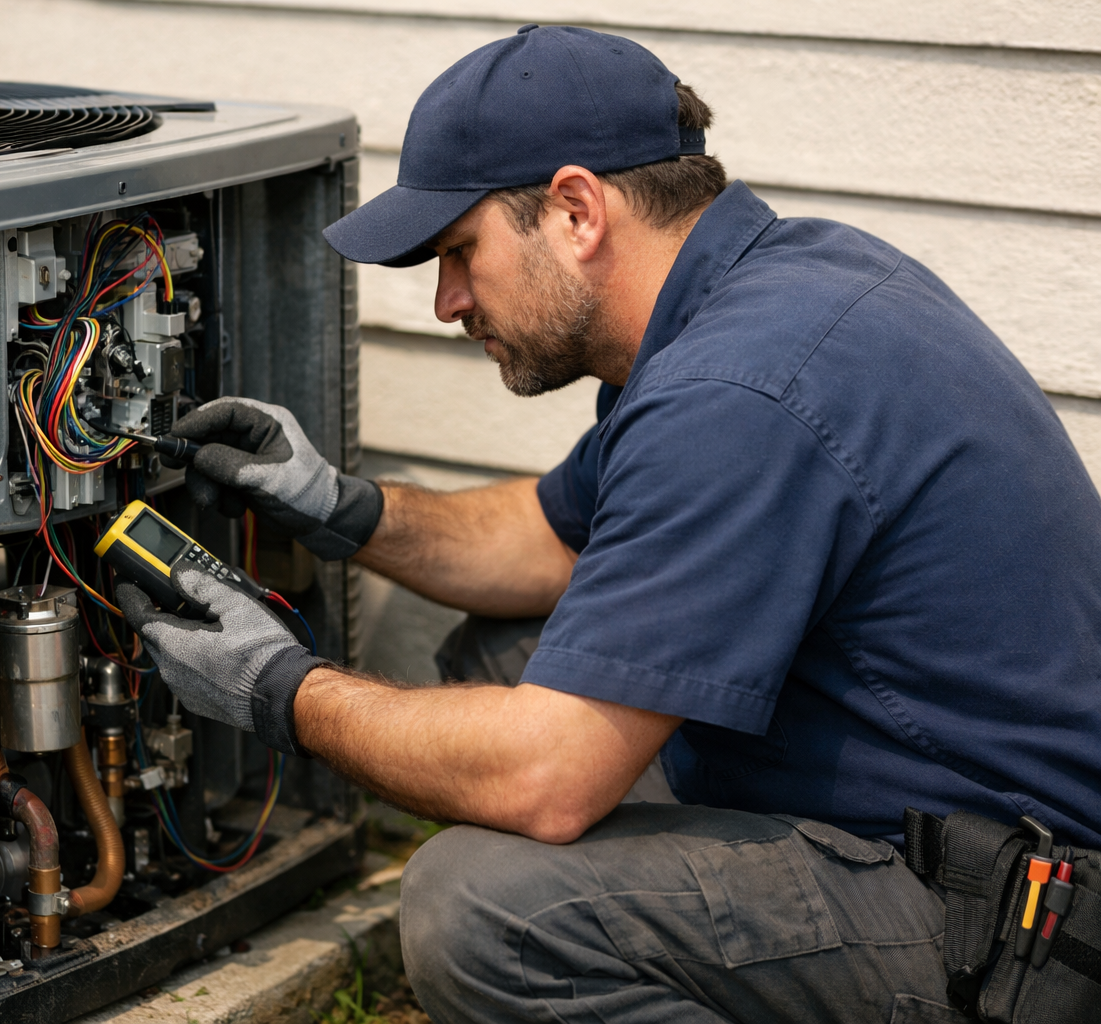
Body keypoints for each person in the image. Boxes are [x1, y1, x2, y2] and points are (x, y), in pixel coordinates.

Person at [115, 25, 1101, 1024]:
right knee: (508, 654)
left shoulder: (738, 389)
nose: (449, 300)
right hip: (934, 821)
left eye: (460, 251)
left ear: (577, 210)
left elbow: (548, 779)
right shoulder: (761, 290)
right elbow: (551, 540)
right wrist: (343, 507)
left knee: (485, 908)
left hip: (1017, 933)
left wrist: (284, 691)